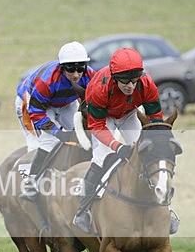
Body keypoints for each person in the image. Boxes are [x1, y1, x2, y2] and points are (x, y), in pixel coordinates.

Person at [72, 47, 177, 234]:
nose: (130, 86)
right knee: (101, 157)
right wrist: (116, 145)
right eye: (125, 81)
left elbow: (155, 119)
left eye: (134, 81)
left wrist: (158, 143)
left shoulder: (146, 84)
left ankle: (166, 210)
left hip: (129, 114)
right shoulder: (99, 88)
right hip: (104, 118)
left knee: (149, 153)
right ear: (114, 78)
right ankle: (83, 211)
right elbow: (96, 126)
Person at [15, 41, 93, 199]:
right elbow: (36, 113)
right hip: (33, 103)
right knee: (47, 141)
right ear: (62, 67)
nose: (76, 74)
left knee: (79, 135)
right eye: (71, 69)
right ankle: (31, 182)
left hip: (64, 102)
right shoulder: (47, 81)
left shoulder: (91, 75)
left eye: (80, 68)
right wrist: (57, 132)